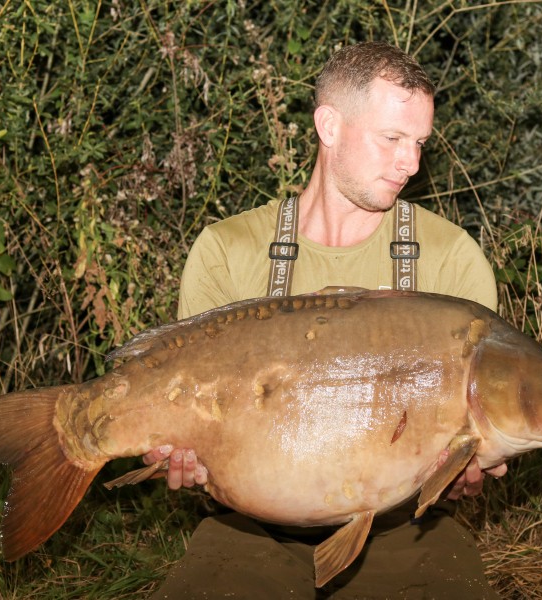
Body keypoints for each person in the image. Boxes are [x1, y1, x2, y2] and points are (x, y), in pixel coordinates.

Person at [146, 41, 506, 599]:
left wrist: (461, 474)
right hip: (251, 528)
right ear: (329, 126)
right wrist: (185, 456)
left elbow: (467, 463)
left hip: (406, 531)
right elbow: (187, 425)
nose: (410, 163)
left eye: (419, 143)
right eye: (391, 139)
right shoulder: (226, 251)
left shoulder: (453, 259)